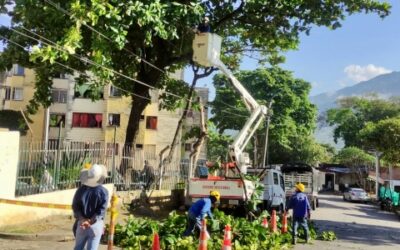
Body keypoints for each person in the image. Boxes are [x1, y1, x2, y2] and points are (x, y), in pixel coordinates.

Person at [72, 163, 109, 250]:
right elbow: (101, 210)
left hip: (81, 224)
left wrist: (82, 219)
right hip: (96, 225)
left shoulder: (80, 190)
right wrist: (91, 221)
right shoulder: (104, 192)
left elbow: (75, 207)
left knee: (78, 248)